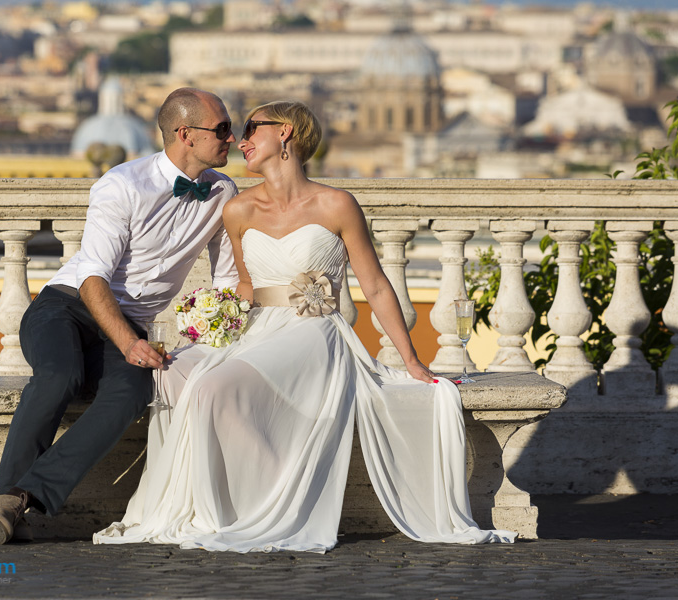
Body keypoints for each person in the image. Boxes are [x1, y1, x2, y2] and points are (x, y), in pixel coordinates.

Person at [94, 101, 517, 553]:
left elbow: (374, 285)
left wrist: (411, 359)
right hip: (257, 327)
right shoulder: (236, 210)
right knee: (170, 371)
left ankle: (267, 498)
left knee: (212, 387)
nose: (241, 138)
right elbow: (243, 286)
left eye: (254, 127)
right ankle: (245, 485)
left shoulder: (336, 204)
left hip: (315, 333)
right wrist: (211, 324)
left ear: (287, 133)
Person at [0, 88, 240, 544]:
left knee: (132, 392)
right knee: (60, 375)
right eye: (221, 129)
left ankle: (19, 499)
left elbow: (228, 278)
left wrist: (223, 327)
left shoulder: (223, 192)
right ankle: (4, 495)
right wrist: (128, 342)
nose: (231, 137)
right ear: (185, 134)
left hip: (129, 325)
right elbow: (93, 278)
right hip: (66, 307)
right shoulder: (122, 184)